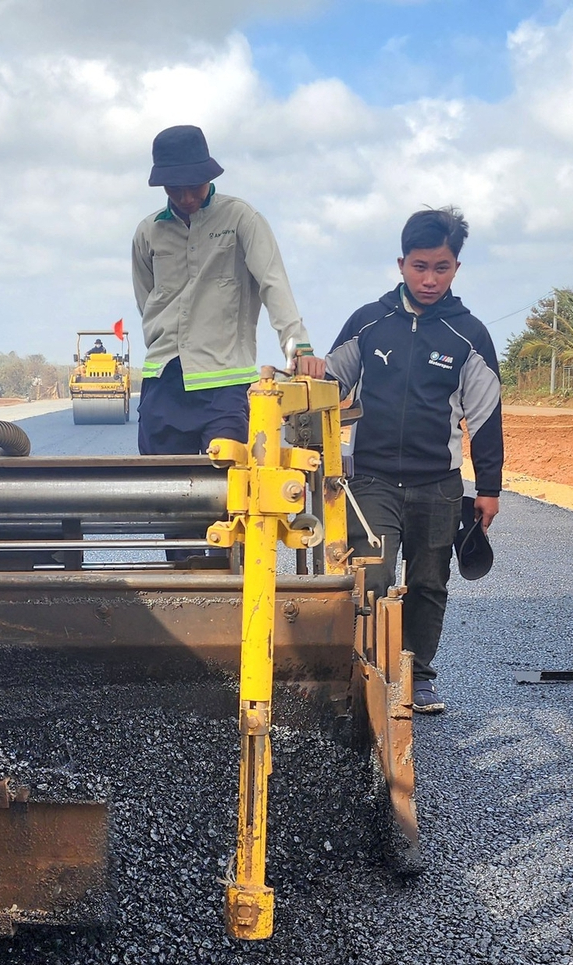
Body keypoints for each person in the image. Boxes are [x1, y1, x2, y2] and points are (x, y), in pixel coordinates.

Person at [323, 207, 503, 715]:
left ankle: (418, 676)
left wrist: (488, 489)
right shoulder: (368, 323)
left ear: (456, 269)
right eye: (420, 267)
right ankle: (369, 673)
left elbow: (486, 418)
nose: (429, 279)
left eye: (441, 268)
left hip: (439, 486)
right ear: (401, 264)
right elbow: (326, 390)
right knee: (373, 577)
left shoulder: (470, 336)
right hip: (372, 480)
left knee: (429, 583)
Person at [131, 125, 325, 457]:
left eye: (194, 186)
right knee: (160, 493)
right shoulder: (148, 233)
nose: (188, 198)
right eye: (177, 190)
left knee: (229, 492)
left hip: (224, 385)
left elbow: (273, 284)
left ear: (209, 175)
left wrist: (300, 352)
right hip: (163, 381)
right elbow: (147, 300)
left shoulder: (241, 220)